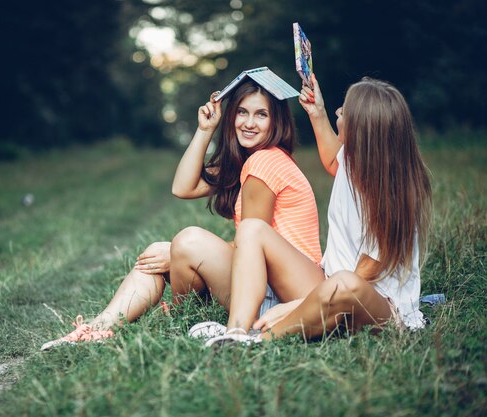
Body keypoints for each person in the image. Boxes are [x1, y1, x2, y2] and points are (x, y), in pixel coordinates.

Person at [41, 76, 322, 350]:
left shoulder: (265, 161)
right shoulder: (245, 161)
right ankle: (99, 328)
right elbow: (182, 187)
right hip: (263, 285)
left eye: (261, 114)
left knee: (187, 242)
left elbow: (253, 244)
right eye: (242, 112)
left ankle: (177, 315)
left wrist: (177, 251)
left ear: (276, 121)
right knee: (161, 251)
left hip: (287, 295)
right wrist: (204, 130)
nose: (249, 123)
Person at [202, 75, 432, 346]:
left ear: (361, 128)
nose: (338, 112)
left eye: (343, 110)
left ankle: (260, 338)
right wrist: (317, 112)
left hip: (378, 305)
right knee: (253, 229)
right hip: (327, 283)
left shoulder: (394, 189)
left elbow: (366, 273)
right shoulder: (353, 161)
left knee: (344, 284)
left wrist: (298, 305)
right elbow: (332, 159)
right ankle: (236, 332)